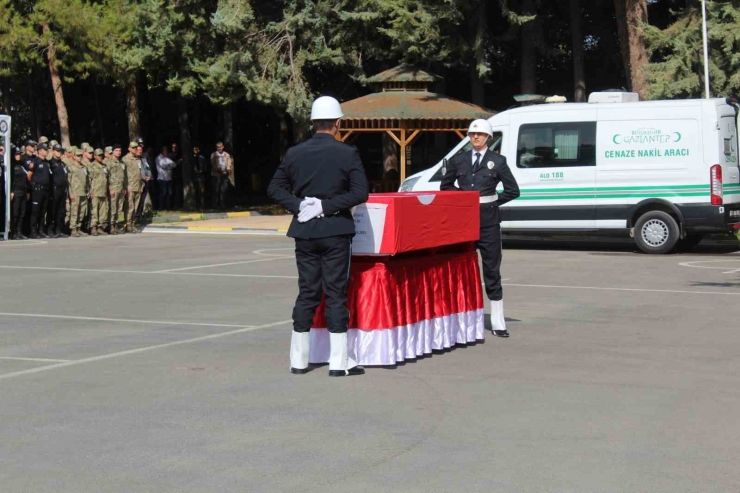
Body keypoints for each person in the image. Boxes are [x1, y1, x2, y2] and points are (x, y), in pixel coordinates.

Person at [267, 95, 369, 377]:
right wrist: (327, 206)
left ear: (312, 122)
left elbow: (275, 189)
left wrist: (303, 205)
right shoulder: (347, 153)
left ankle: (298, 360)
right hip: (336, 231)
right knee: (336, 295)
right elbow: (360, 193)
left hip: (306, 232)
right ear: (338, 123)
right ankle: (338, 362)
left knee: (308, 292)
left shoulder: (295, 153)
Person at [440, 119, 520, 338]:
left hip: (488, 222)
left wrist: (491, 202)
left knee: (492, 269)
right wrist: (465, 200)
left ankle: (498, 321)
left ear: (488, 138)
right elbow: (445, 186)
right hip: (464, 222)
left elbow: (513, 191)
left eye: (480, 134)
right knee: (460, 269)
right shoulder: (459, 160)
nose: (475, 137)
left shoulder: (498, 161)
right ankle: (459, 318)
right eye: (472, 134)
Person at [29, 143, 52, 239]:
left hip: (46, 190)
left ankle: (41, 230)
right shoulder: (35, 161)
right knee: (35, 211)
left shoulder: (47, 162)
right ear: (39, 151)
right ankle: (33, 231)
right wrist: (33, 185)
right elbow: (29, 175)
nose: (46, 151)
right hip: (37, 189)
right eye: (44, 149)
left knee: (43, 212)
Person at [47, 144, 69, 238]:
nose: (59, 152)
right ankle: (50, 230)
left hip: (62, 190)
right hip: (55, 189)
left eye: (60, 151)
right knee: (52, 210)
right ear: (53, 151)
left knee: (61, 211)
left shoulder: (62, 163)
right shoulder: (50, 163)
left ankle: (59, 230)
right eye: (57, 151)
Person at [68, 147, 90, 237]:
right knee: (75, 211)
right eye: (78, 156)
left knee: (81, 212)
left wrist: (88, 190)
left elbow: (87, 180)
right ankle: (73, 229)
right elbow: (68, 182)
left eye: (81, 155)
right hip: (75, 192)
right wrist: (71, 193)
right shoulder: (71, 167)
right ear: (74, 157)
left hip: (83, 192)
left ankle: (79, 228)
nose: (80, 157)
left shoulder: (84, 167)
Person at [105, 144, 126, 234]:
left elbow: (124, 176)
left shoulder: (122, 162)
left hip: (121, 188)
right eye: (116, 150)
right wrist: (110, 189)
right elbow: (106, 176)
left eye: (120, 150)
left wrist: (124, 188)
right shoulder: (109, 162)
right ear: (113, 151)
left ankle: (116, 225)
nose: (118, 152)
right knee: (113, 208)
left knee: (119, 208)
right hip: (113, 188)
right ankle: (111, 226)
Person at [89, 149, 109, 236]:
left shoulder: (104, 166)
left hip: (103, 191)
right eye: (99, 155)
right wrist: (90, 191)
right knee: (94, 211)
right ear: (95, 156)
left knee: (103, 211)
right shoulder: (91, 166)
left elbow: (107, 179)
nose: (101, 157)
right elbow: (89, 180)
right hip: (95, 192)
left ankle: (100, 227)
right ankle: (93, 227)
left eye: (102, 155)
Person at [123, 141, 142, 233]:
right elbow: (123, 175)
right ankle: (128, 224)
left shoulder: (138, 159)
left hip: (137, 186)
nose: (135, 149)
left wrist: (141, 185)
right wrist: (126, 187)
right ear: (129, 148)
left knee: (135, 207)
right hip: (130, 186)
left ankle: (133, 223)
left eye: (136, 148)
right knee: (130, 207)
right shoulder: (125, 159)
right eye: (133, 148)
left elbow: (139, 174)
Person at [10, 146, 29, 239]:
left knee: (22, 213)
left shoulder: (22, 165)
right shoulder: (12, 166)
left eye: (19, 154)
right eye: (16, 154)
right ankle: (13, 232)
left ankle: (19, 231)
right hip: (16, 191)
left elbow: (26, 179)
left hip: (23, 190)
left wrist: (27, 191)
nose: (18, 156)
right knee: (15, 213)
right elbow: (10, 180)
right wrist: (11, 191)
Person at [210, 142, 232, 209]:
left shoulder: (227, 155)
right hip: (216, 175)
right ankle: (215, 205)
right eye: (217, 147)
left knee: (223, 190)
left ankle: (222, 204)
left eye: (220, 147)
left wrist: (227, 170)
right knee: (216, 190)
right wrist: (220, 171)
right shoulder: (213, 155)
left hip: (225, 175)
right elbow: (213, 165)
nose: (219, 148)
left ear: (223, 147)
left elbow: (229, 163)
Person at [155, 145, 177, 210]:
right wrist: (170, 166)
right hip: (162, 178)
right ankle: (161, 207)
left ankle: (168, 207)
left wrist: (169, 166)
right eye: (165, 151)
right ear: (162, 151)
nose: (166, 152)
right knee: (163, 193)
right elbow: (163, 166)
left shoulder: (167, 158)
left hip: (169, 178)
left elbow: (174, 165)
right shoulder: (158, 158)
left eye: (167, 151)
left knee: (169, 193)